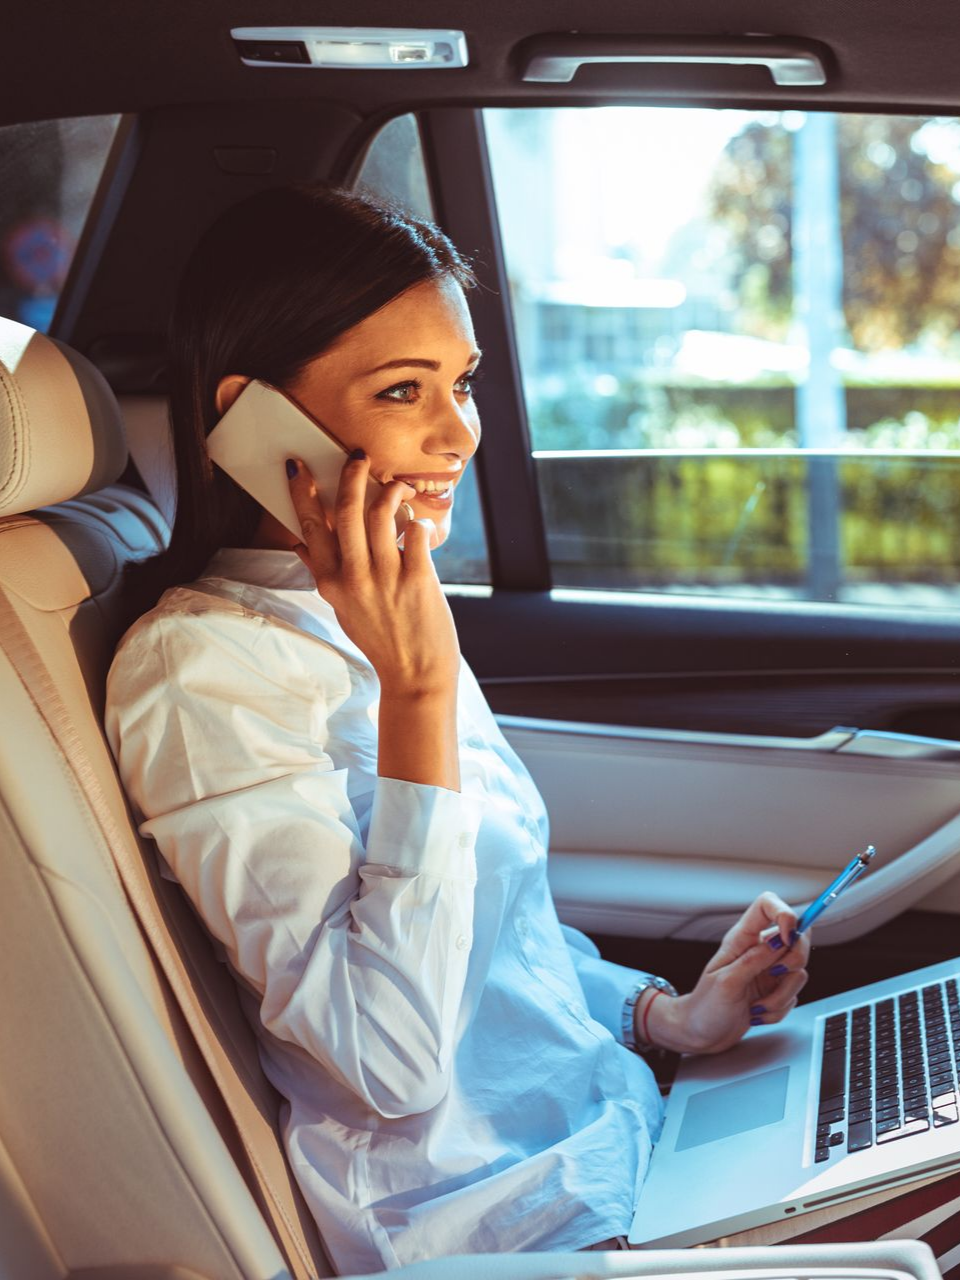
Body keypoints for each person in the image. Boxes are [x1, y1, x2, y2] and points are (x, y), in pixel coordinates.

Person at [104, 184, 955, 1274]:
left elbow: (493, 940)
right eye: (404, 390)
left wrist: (664, 1013)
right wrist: (415, 702)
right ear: (254, 411)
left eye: (461, 382)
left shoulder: (383, 609)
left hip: (618, 1135)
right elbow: (385, 1061)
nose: (460, 431)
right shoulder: (202, 670)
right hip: (499, 1222)